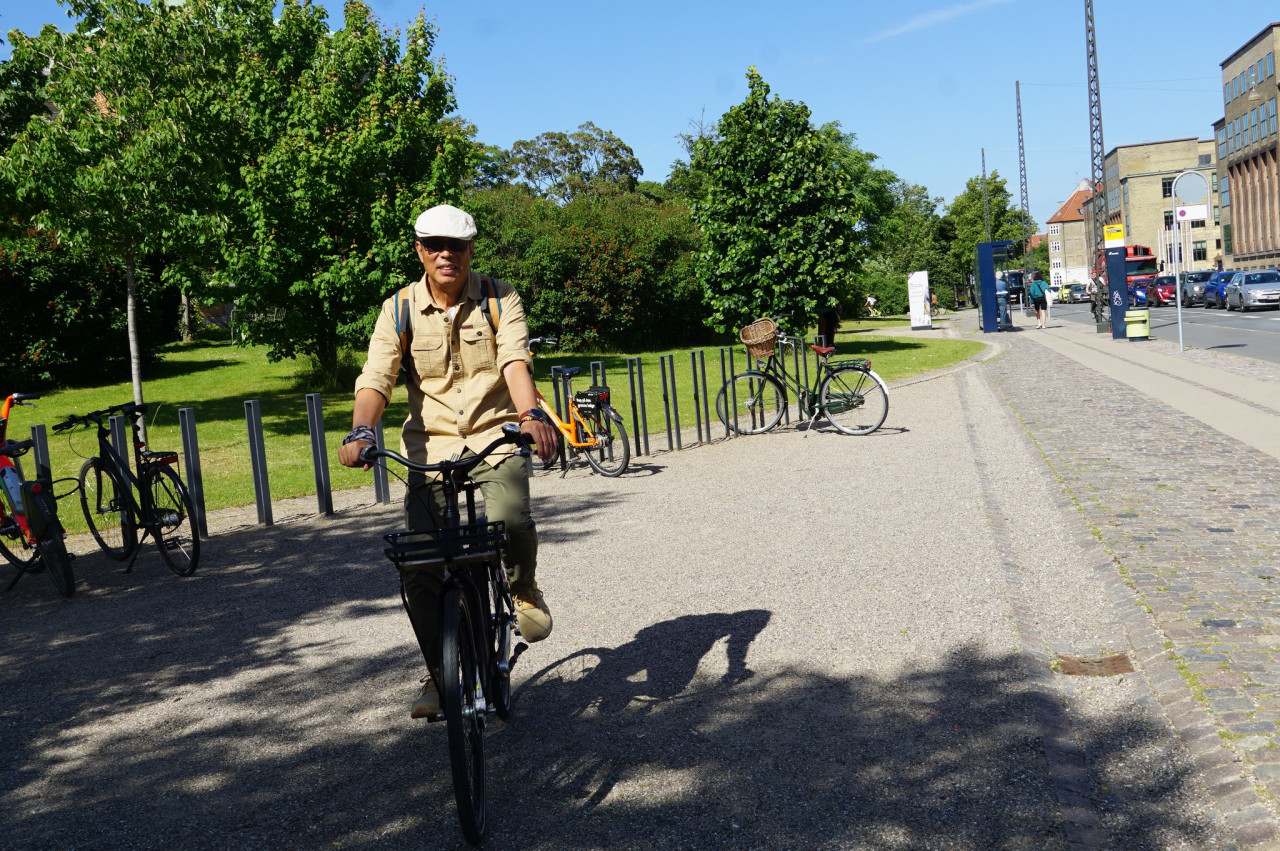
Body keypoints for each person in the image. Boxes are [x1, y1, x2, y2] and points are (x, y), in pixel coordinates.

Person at [339, 203, 560, 720]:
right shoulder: (398, 309)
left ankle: (522, 584)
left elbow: (514, 361)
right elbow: (376, 377)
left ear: (470, 250)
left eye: (455, 246)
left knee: (508, 513)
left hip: (493, 435)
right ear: (419, 250)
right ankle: (440, 671)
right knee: (418, 565)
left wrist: (530, 414)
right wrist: (360, 429)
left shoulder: (501, 299)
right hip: (429, 446)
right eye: (434, 245)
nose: (445, 254)